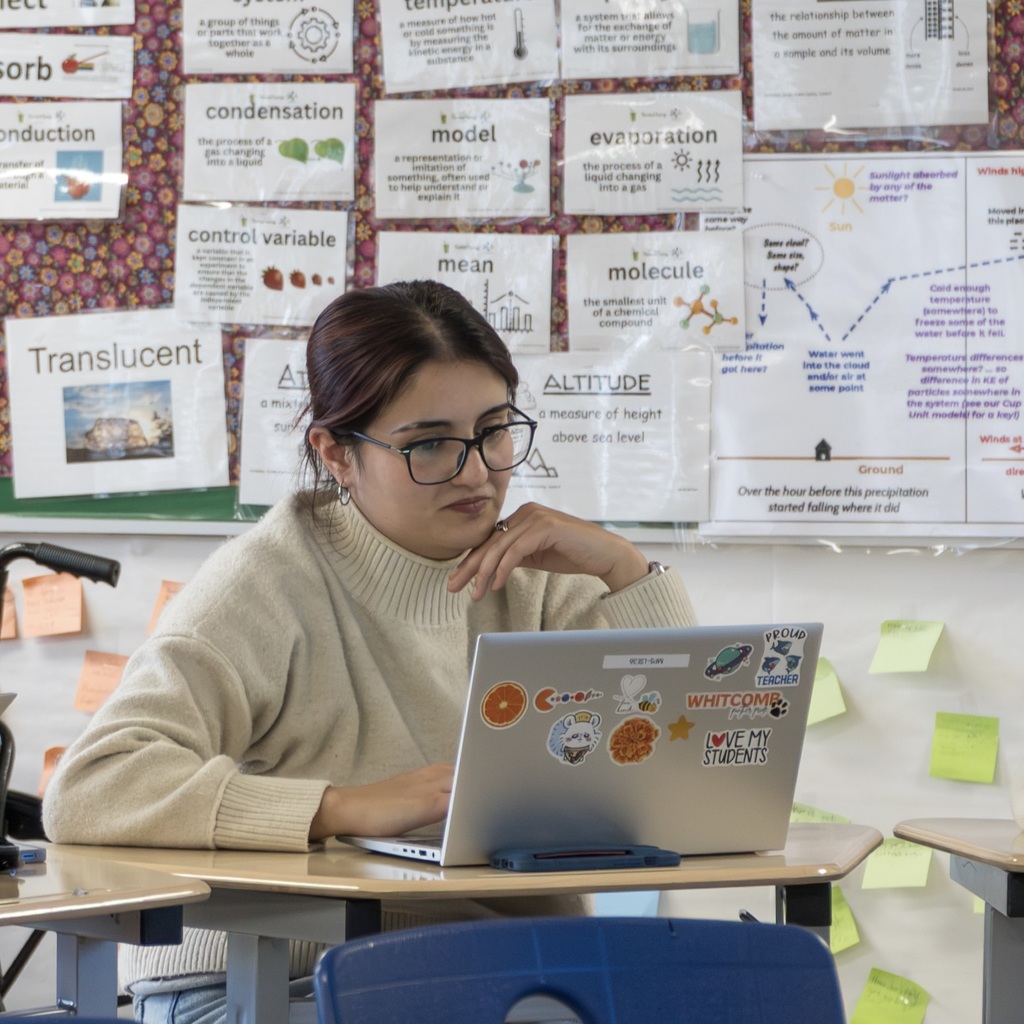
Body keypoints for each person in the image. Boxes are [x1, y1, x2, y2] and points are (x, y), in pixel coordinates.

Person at [42, 280, 698, 1023]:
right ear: (337, 454)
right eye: (428, 445)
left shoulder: (543, 577)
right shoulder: (266, 582)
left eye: (494, 431)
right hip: (263, 978)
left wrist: (624, 570)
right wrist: (338, 807)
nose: (478, 472)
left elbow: (677, 781)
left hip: (503, 978)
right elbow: (93, 786)